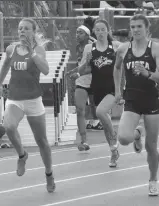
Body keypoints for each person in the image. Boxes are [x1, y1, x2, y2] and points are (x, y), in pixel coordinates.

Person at [0, 18, 55, 193]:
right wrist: (0, 84)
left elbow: (45, 70)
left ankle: (49, 173)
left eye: (26, 29)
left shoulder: (38, 50)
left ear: (33, 31)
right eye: (20, 28)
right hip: (15, 98)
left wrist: (33, 53)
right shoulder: (11, 48)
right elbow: (6, 64)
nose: (22, 31)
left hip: (33, 100)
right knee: (8, 126)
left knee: (42, 141)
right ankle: (22, 155)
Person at [114, 14, 159, 196]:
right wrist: (117, 90)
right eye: (133, 27)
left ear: (147, 29)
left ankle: (153, 180)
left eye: (139, 26)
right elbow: (117, 69)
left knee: (151, 147)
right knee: (124, 138)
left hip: (152, 99)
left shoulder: (155, 49)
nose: (136, 30)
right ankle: (136, 133)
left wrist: (147, 73)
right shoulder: (124, 49)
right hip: (131, 99)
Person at [78, 19, 121, 167]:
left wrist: (121, 89)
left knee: (101, 112)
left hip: (112, 88)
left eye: (103, 29)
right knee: (103, 119)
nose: (101, 32)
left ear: (108, 30)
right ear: (94, 32)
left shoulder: (115, 46)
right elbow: (82, 71)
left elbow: (125, 65)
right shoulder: (89, 48)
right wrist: (86, 62)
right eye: (98, 30)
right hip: (97, 89)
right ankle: (113, 151)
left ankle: (114, 138)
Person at [67, 17, 103, 151]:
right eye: (76, 32)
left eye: (80, 33)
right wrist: (74, 72)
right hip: (81, 81)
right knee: (80, 110)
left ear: (87, 35)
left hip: (95, 80)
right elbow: (80, 65)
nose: (77, 35)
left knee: (98, 110)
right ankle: (83, 140)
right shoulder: (76, 48)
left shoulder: (94, 45)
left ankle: (110, 137)